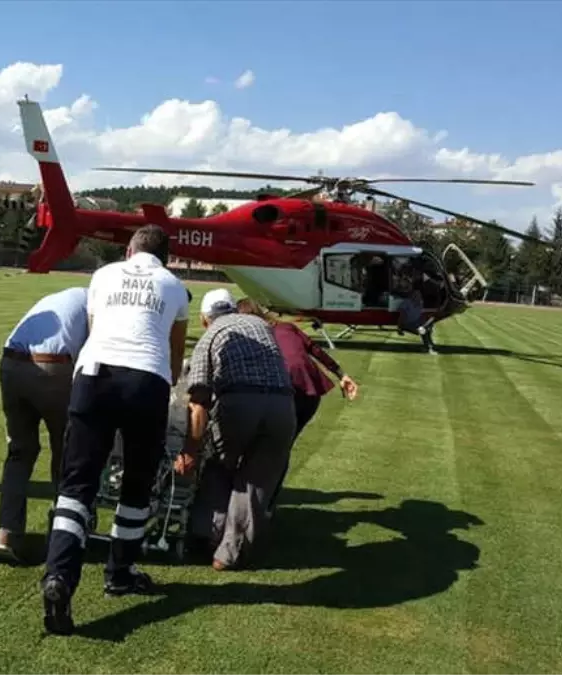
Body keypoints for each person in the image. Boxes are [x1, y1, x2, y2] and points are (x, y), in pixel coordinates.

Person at [40, 224, 190, 636]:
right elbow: (176, 355)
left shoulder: (103, 275)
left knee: (77, 485)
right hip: (146, 381)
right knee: (137, 485)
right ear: (167, 258)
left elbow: (94, 325)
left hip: (93, 376)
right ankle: (119, 571)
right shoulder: (175, 286)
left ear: (129, 250)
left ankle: (58, 577)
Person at [174, 289, 295, 572]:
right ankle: (229, 554)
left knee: (218, 467)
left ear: (206, 319)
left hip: (239, 404)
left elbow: (199, 400)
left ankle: (207, 536)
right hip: (282, 406)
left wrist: (190, 450)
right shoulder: (261, 326)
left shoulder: (210, 336)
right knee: (255, 484)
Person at [0, 286, 89, 563]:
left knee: (19, 452)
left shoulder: (64, 296)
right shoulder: (96, 301)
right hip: (52, 368)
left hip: (11, 363)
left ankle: (6, 533)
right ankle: (62, 533)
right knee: (65, 450)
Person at [235, 298, 359, 513]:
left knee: (268, 446)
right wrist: (341, 374)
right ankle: (266, 503)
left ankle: (259, 502)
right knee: (281, 447)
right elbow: (315, 350)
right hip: (309, 394)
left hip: (287, 391)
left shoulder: (256, 335)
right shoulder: (287, 328)